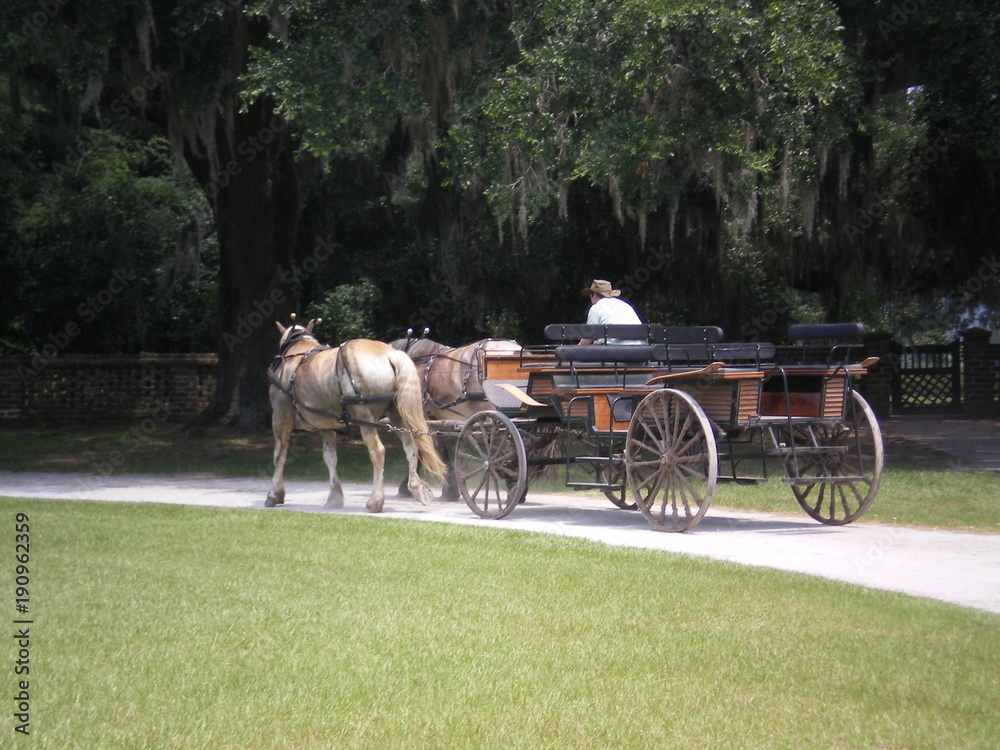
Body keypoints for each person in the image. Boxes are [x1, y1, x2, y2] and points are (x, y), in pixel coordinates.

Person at [578, 279, 645, 345]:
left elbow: (587, 341)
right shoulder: (624, 304)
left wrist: (574, 351)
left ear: (594, 295)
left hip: (616, 350)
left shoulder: (596, 307)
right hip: (640, 347)